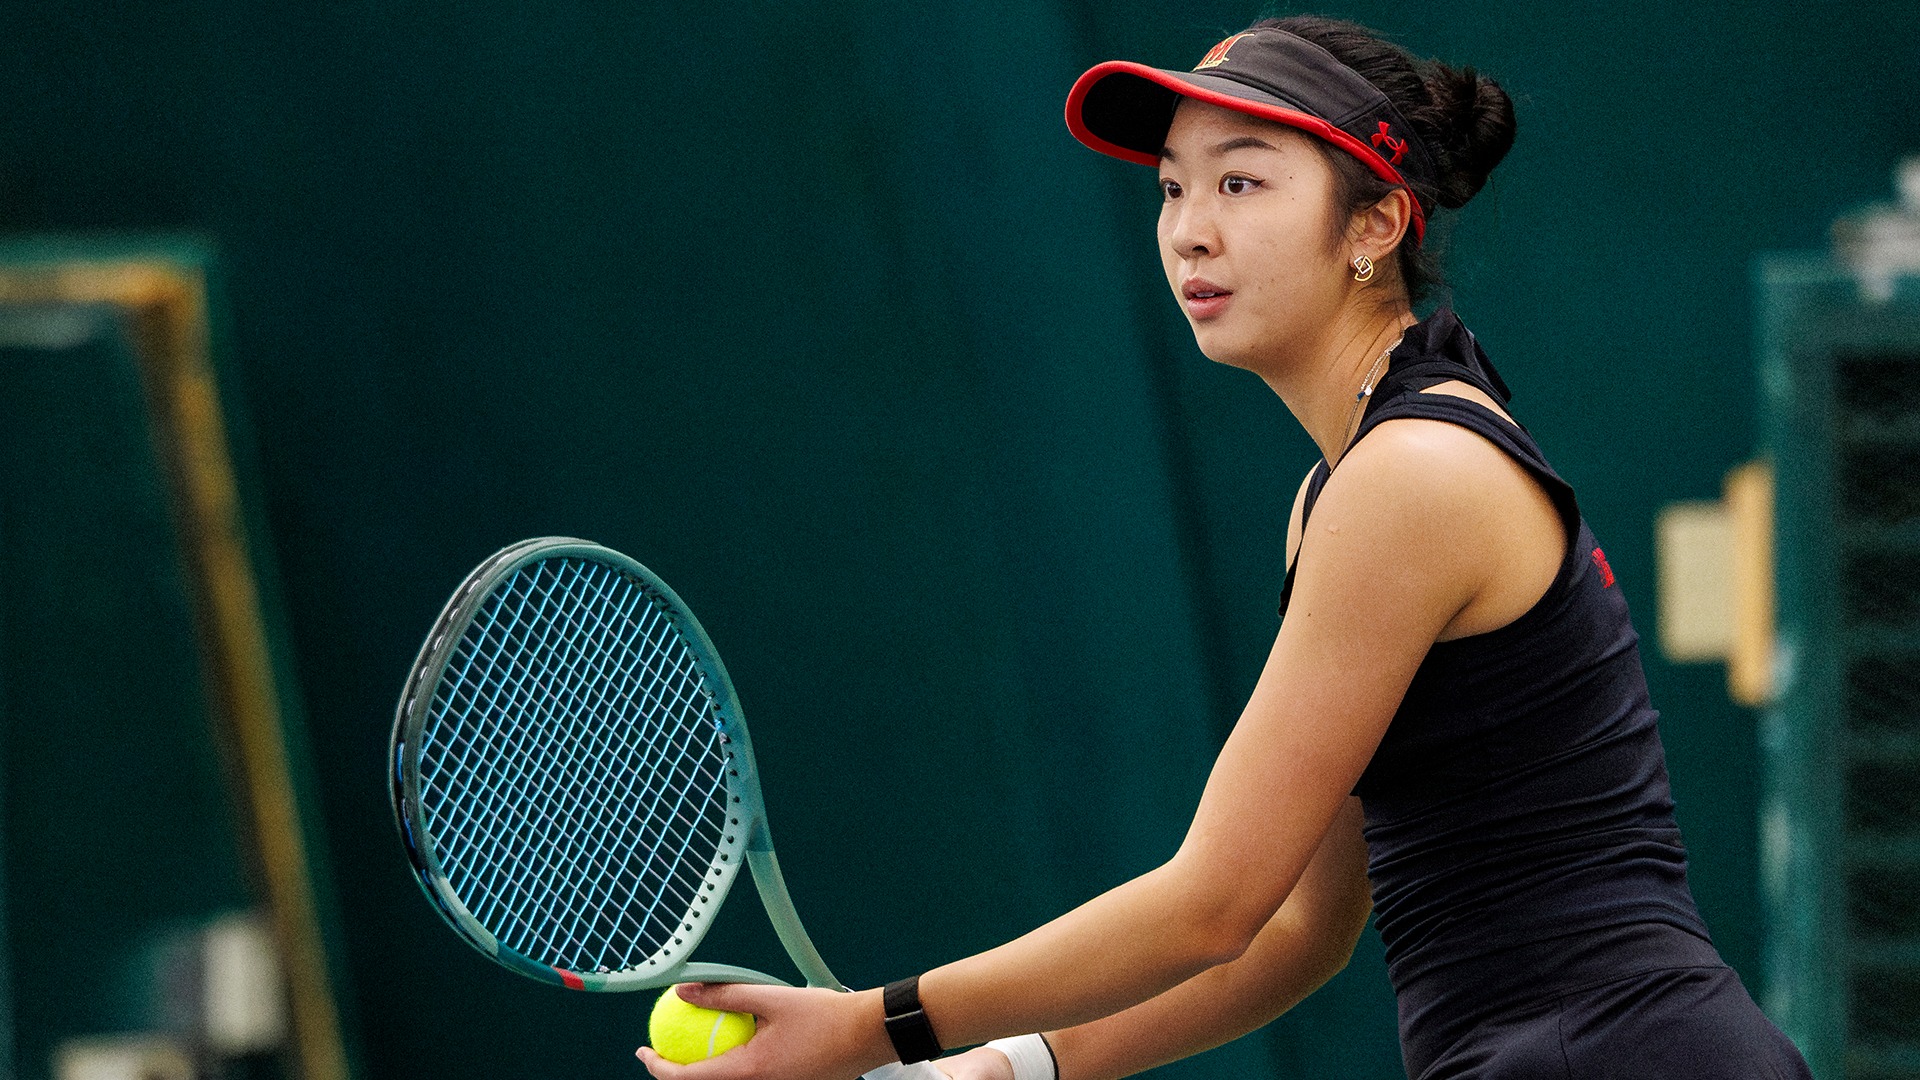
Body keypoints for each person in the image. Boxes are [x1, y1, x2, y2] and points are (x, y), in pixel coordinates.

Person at [636, 16, 1814, 1080]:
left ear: (1376, 225)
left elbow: (1212, 905)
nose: (1191, 233)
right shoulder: (1351, 485)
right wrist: (1010, 1067)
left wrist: (876, 1026)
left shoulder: (1409, 478)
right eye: (1170, 190)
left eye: (1242, 184)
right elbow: (1300, 930)